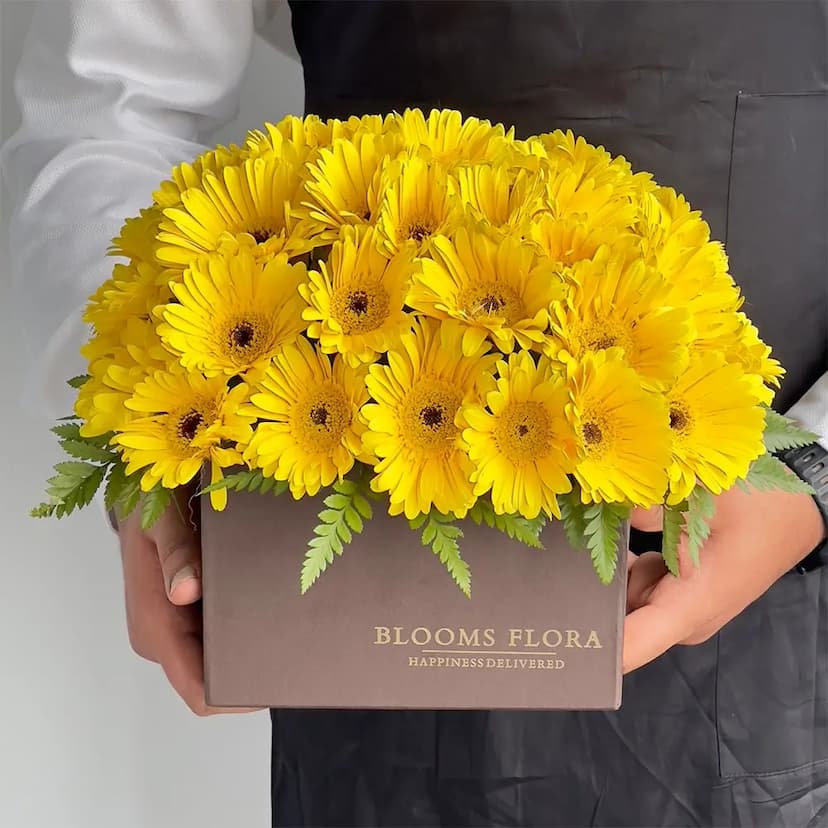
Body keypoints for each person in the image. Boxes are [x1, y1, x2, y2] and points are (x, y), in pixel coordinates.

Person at [3, 1, 827, 825]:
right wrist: (151, 431)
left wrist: (814, 472)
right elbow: (110, 112)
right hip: (356, 554)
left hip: (774, 584)